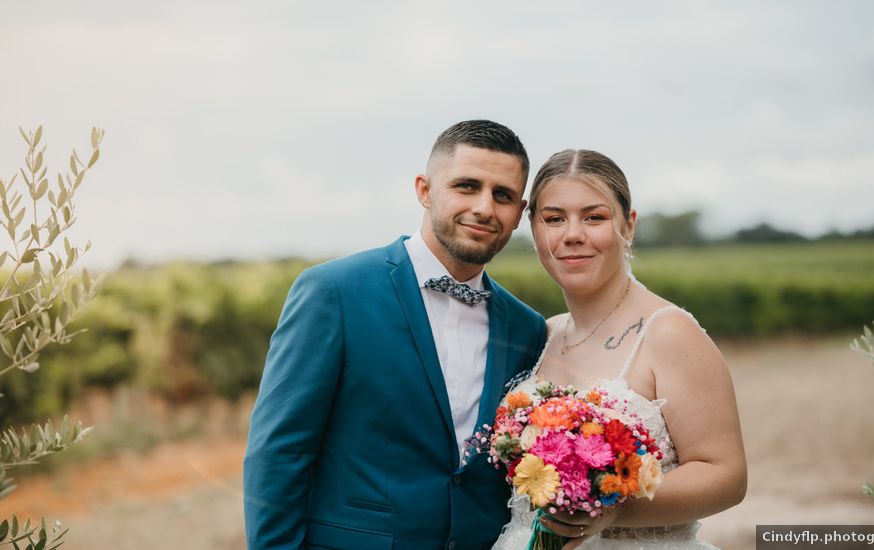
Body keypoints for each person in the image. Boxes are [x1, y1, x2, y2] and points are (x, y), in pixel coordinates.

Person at [242, 119, 546, 550]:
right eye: (466, 186)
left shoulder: (527, 327)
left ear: (519, 211)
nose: (484, 207)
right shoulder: (334, 293)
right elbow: (279, 452)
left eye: (503, 195)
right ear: (424, 189)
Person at [491, 150, 747, 549]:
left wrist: (608, 506)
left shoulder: (669, 333)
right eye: (554, 218)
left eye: (594, 217)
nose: (572, 233)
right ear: (535, 230)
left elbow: (726, 475)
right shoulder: (547, 333)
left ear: (628, 225)